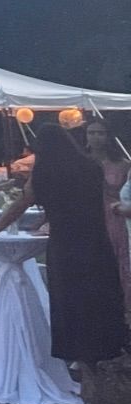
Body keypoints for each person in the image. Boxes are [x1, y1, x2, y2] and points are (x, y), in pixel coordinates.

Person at [0, 124, 128, 369]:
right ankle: (107, 346)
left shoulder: (46, 171)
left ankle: (77, 351)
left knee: (70, 295)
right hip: (95, 239)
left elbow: (23, 202)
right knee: (97, 293)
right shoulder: (90, 167)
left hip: (65, 243)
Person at [85, 119, 131, 309]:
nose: (96, 137)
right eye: (91, 132)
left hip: (115, 216)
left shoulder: (123, 165)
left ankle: (124, 306)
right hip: (88, 216)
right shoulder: (81, 162)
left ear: (108, 136)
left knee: (119, 259)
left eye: (100, 133)